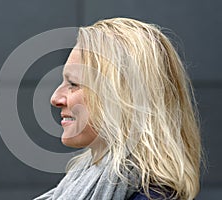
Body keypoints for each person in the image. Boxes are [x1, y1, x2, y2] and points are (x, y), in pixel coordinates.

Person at [34, 17, 202, 200]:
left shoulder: (151, 196)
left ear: (120, 97)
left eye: (73, 83)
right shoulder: (76, 183)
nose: (55, 98)